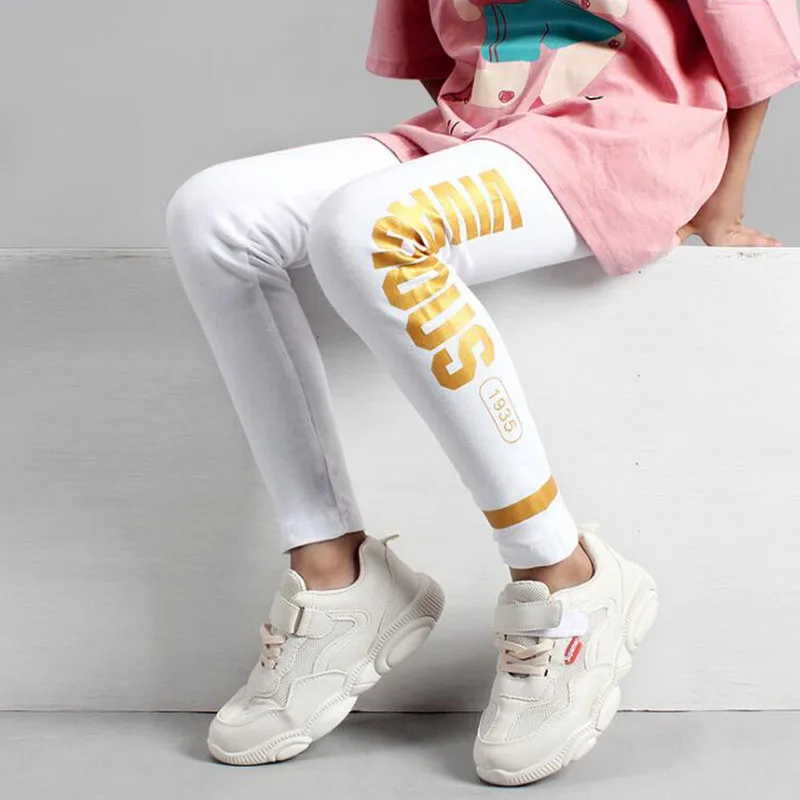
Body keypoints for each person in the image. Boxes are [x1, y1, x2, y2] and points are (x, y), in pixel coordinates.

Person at [165, 0, 800, 786]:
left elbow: (753, 49)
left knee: (374, 230)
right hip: (482, 131)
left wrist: (721, 205)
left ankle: (563, 575)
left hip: (631, 135)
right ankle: (336, 575)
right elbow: (441, 51)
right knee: (212, 216)